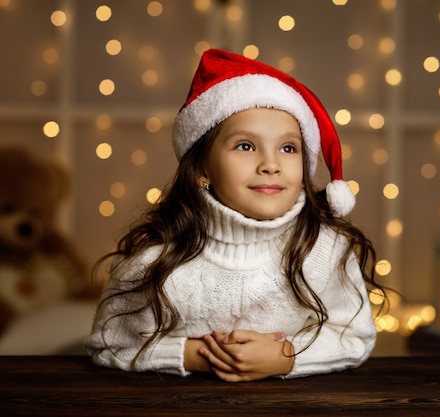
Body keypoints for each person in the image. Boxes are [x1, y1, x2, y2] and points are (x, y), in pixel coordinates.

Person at [86, 48, 385, 382]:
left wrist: (285, 356)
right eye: (246, 145)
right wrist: (201, 356)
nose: (270, 164)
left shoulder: (325, 251)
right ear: (202, 168)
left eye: (288, 148)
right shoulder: (156, 262)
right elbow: (109, 343)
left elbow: (355, 336)